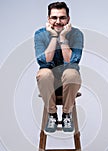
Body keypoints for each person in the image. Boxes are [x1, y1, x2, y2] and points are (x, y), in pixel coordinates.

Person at [34, 2, 83, 133]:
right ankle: (52, 115)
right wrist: (54, 37)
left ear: (68, 19)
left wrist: (62, 37)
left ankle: (67, 114)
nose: (58, 21)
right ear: (48, 19)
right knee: (44, 73)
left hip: (69, 84)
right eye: (54, 18)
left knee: (71, 73)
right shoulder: (40, 34)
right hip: (48, 84)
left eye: (62, 17)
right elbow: (44, 61)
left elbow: (71, 61)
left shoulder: (77, 34)